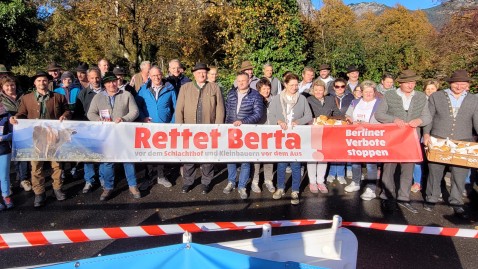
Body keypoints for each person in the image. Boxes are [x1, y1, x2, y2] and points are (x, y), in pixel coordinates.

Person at [10, 71, 71, 207]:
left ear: (48, 82)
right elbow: (21, 113)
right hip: (36, 137)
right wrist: (15, 118)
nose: (42, 83)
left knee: (57, 164)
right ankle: (39, 193)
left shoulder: (58, 97)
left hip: (53, 136)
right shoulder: (27, 98)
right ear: (34, 83)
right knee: (36, 166)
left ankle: (57, 188)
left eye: (44, 80)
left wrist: (65, 116)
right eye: (39, 81)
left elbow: (67, 111)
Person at [375, 70, 432, 213]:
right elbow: (379, 114)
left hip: (411, 139)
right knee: (389, 168)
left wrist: (420, 120)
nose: (410, 85)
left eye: (413, 82)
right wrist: (393, 119)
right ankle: (386, 196)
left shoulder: (420, 96)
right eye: (407, 82)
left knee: (408, 169)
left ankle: (404, 198)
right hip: (393, 138)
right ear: (400, 83)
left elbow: (427, 117)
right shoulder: (389, 95)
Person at [423, 70, 477, 219]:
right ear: (450, 83)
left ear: (468, 85)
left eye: (463, 84)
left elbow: (477, 121)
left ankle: (456, 201)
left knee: (459, 175)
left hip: (463, 142)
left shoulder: (474, 99)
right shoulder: (436, 96)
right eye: (456, 83)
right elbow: (428, 117)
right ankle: (432, 198)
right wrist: (426, 134)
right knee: (435, 172)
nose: (459, 86)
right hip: (439, 139)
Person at [87, 72, 140, 201]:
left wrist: (124, 118)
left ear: (117, 82)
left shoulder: (126, 95)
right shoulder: (98, 97)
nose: (112, 84)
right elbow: (90, 113)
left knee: (127, 160)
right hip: (107, 135)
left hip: (124, 134)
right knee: (108, 162)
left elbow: (135, 111)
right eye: (109, 82)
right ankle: (108, 187)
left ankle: (133, 186)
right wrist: (98, 120)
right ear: (104, 84)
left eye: (114, 81)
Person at [175, 63, 225, 194]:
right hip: (189, 130)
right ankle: (187, 182)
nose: (201, 75)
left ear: (207, 74)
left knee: (207, 157)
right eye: (198, 73)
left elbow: (220, 109)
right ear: (194, 74)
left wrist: (218, 127)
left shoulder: (214, 88)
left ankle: (206, 182)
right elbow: (179, 109)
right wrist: (180, 127)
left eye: (203, 72)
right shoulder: (185, 88)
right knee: (189, 157)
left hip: (209, 130)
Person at [268, 73, 312, 205]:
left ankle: (295, 190)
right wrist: (279, 121)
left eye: (296, 85)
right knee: (281, 164)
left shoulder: (302, 99)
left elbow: (308, 115)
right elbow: (271, 114)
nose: (294, 87)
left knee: (296, 164)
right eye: (291, 85)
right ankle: (280, 188)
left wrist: (298, 121)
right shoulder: (277, 99)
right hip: (281, 136)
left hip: (296, 136)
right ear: (285, 85)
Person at [223, 72, 265, 199]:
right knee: (230, 158)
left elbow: (258, 113)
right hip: (231, 131)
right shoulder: (231, 94)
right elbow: (227, 111)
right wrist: (226, 126)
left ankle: (242, 186)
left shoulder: (256, 95)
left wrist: (243, 122)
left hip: (246, 132)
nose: (241, 83)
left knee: (245, 160)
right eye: (239, 80)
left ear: (248, 81)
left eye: (244, 80)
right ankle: (231, 181)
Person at [137, 66, 176, 188]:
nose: (156, 78)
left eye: (158, 75)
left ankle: (161, 176)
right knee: (148, 154)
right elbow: (136, 106)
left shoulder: (170, 89)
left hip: (164, 127)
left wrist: (172, 123)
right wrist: (143, 117)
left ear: (162, 74)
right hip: (148, 127)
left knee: (161, 154)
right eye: (153, 75)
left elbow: (176, 107)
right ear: (149, 76)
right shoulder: (143, 89)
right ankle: (148, 178)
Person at [345, 80, 381, 200]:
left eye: (371, 91)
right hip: (356, 137)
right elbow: (347, 115)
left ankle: (371, 188)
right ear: (362, 92)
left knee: (371, 164)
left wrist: (369, 124)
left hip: (371, 137)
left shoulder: (379, 103)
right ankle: (355, 182)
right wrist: (350, 119)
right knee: (355, 161)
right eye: (366, 91)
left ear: (374, 92)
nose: (368, 94)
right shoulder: (355, 102)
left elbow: (383, 118)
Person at [306, 79, 342, 194]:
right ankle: (312, 182)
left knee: (323, 157)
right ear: (313, 90)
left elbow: (337, 113)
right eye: (316, 89)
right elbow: (306, 116)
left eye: (320, 89)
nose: (318, 91)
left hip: (327, 133)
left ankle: (321, 181)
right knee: (313, 157)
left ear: (324, 90)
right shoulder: (308, 100)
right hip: (313, 132)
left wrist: (335, 119)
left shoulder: (330, 99)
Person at [74, 68, 104, 193]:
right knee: (88, 156)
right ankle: (89, 180)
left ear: (100, 77)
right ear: (88, 78)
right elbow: (78, 112)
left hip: (104, 128)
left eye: (97, 77)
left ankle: (103, 178)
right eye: (92, 78)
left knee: (104, 154)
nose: (95, 80)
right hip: (88, 129)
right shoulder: (83, 94)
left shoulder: (107, 91)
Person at [0, 76, 31, 192]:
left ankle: (24, 179)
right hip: (6, 130)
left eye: (12, 85)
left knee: (22, 155)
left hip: (22, 129)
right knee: (6, 158)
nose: (10, 88)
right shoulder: (1, 99)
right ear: (2, 87)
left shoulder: (24, 96)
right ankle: (8, 182)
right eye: (7, 85)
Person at [412, 79, 440, 193]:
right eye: (427, 89)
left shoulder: (441, 102)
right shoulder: (420, 102)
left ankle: (435, 186)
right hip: (421, 133)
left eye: (432, 89)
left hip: (436, 134)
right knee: (418, 159)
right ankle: (417, 182)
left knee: (435, 162)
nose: (430, 91)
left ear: (437, 90)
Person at [327, 78, 354, 184]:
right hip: (333, 126)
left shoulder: (350, 97)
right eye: (337, 86)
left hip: (345, 126)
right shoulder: (329, 97)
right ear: (334, 87)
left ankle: (341, 174)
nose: (340, 89)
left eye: (342, 86)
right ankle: (332, 173)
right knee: (333, 150)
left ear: (345, 87)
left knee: (342, 150)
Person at [252, 78, 276, 194]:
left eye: (268, 88)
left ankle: (268, 180)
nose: (266, 91)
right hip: (257, 134)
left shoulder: (275, 100)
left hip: (271, 134)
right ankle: (255, 181)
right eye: (264, 88)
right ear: (259, 89)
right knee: (257, 159)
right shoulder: (255, 100)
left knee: (269, 158)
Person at [0, 102, 13, 210]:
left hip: (4, 150)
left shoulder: (6, 115)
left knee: (4, 175)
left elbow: (13, 132)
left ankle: (6, 195)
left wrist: (3, 138)